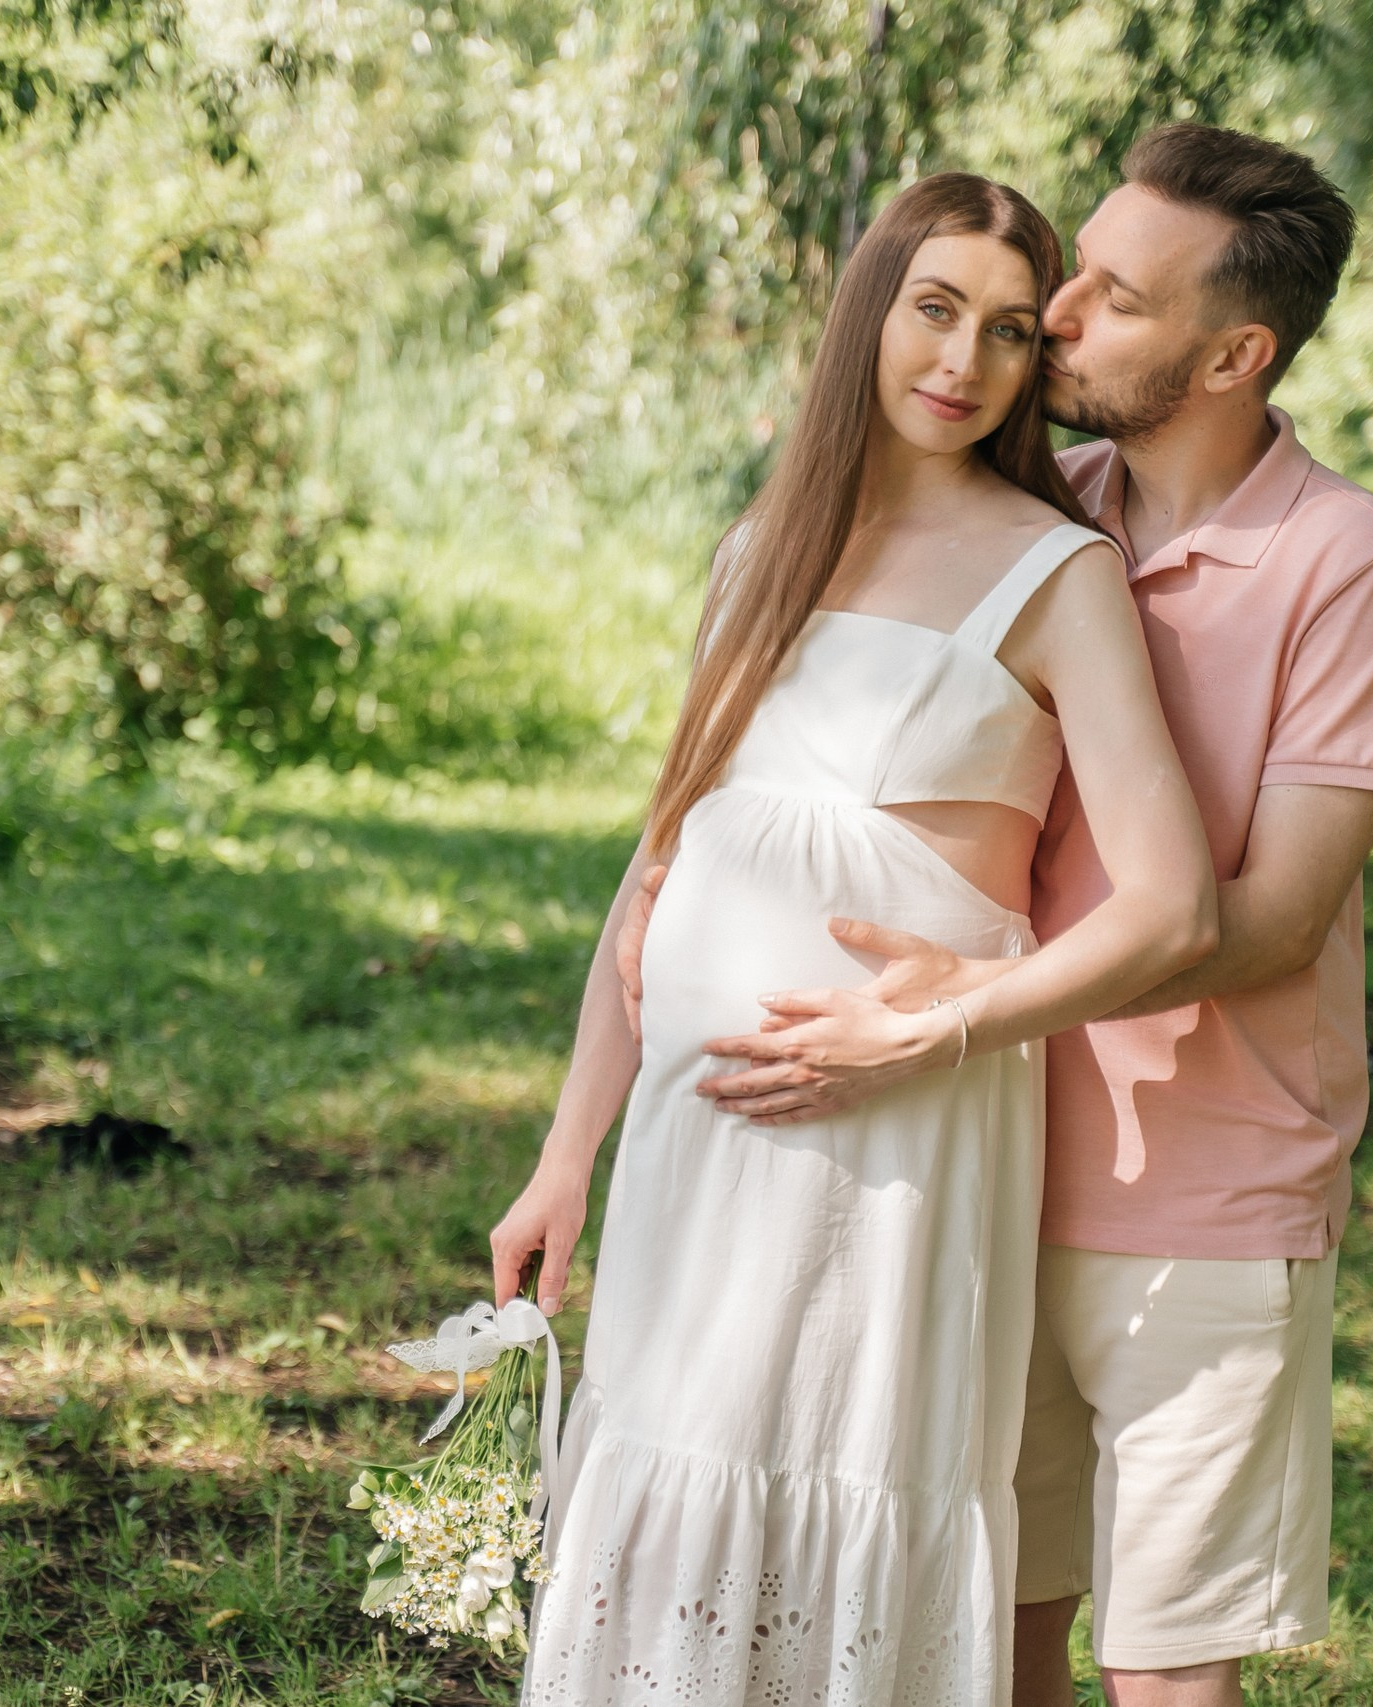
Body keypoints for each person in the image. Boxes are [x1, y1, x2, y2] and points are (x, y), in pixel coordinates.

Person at [621, 126, 1373, 1707]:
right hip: (981, 1168)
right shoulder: (1038, 516)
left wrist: (941, 1010)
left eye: (1110, 298)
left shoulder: (1353, 565)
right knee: (991, 1631)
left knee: (1165, 1665)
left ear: (1234, 352)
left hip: (1204, 1188)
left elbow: (1262, 926)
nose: (1054, 318)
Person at [489, 172, 1218, 1705]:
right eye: (935, 311)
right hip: (701, 1139)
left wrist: (938, 1023)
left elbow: (1173, 906)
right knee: (676, 1449)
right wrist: (569, 1155)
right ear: (869, 312)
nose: (965, 364)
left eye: (1013, 333)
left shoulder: (1059, 573)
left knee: (840, 1465)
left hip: (901, 1125)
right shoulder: (763, 548)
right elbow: (660, 860)